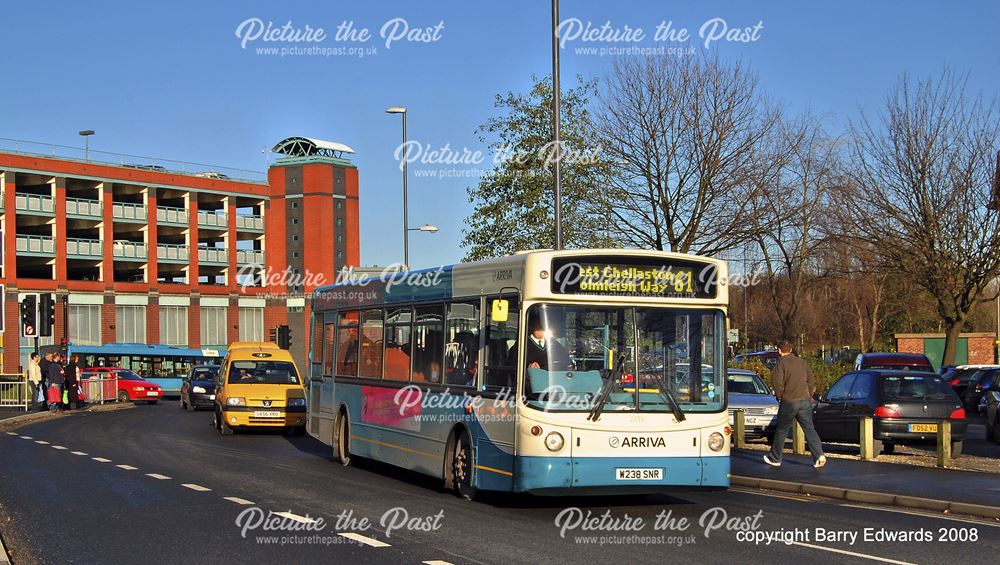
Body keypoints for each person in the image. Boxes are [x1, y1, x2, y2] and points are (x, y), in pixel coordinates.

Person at [764, 340, 826, 468]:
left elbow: (777, 383)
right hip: (804, 401)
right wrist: (808, 394)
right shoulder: (802, 362)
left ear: (779, 351)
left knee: (782, 429)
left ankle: (775, 458)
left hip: (789, 401)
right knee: (809, 429)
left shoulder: (780, 363)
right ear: (791, 350)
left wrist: (781, 396)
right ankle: (819, 455)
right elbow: (811, 379)